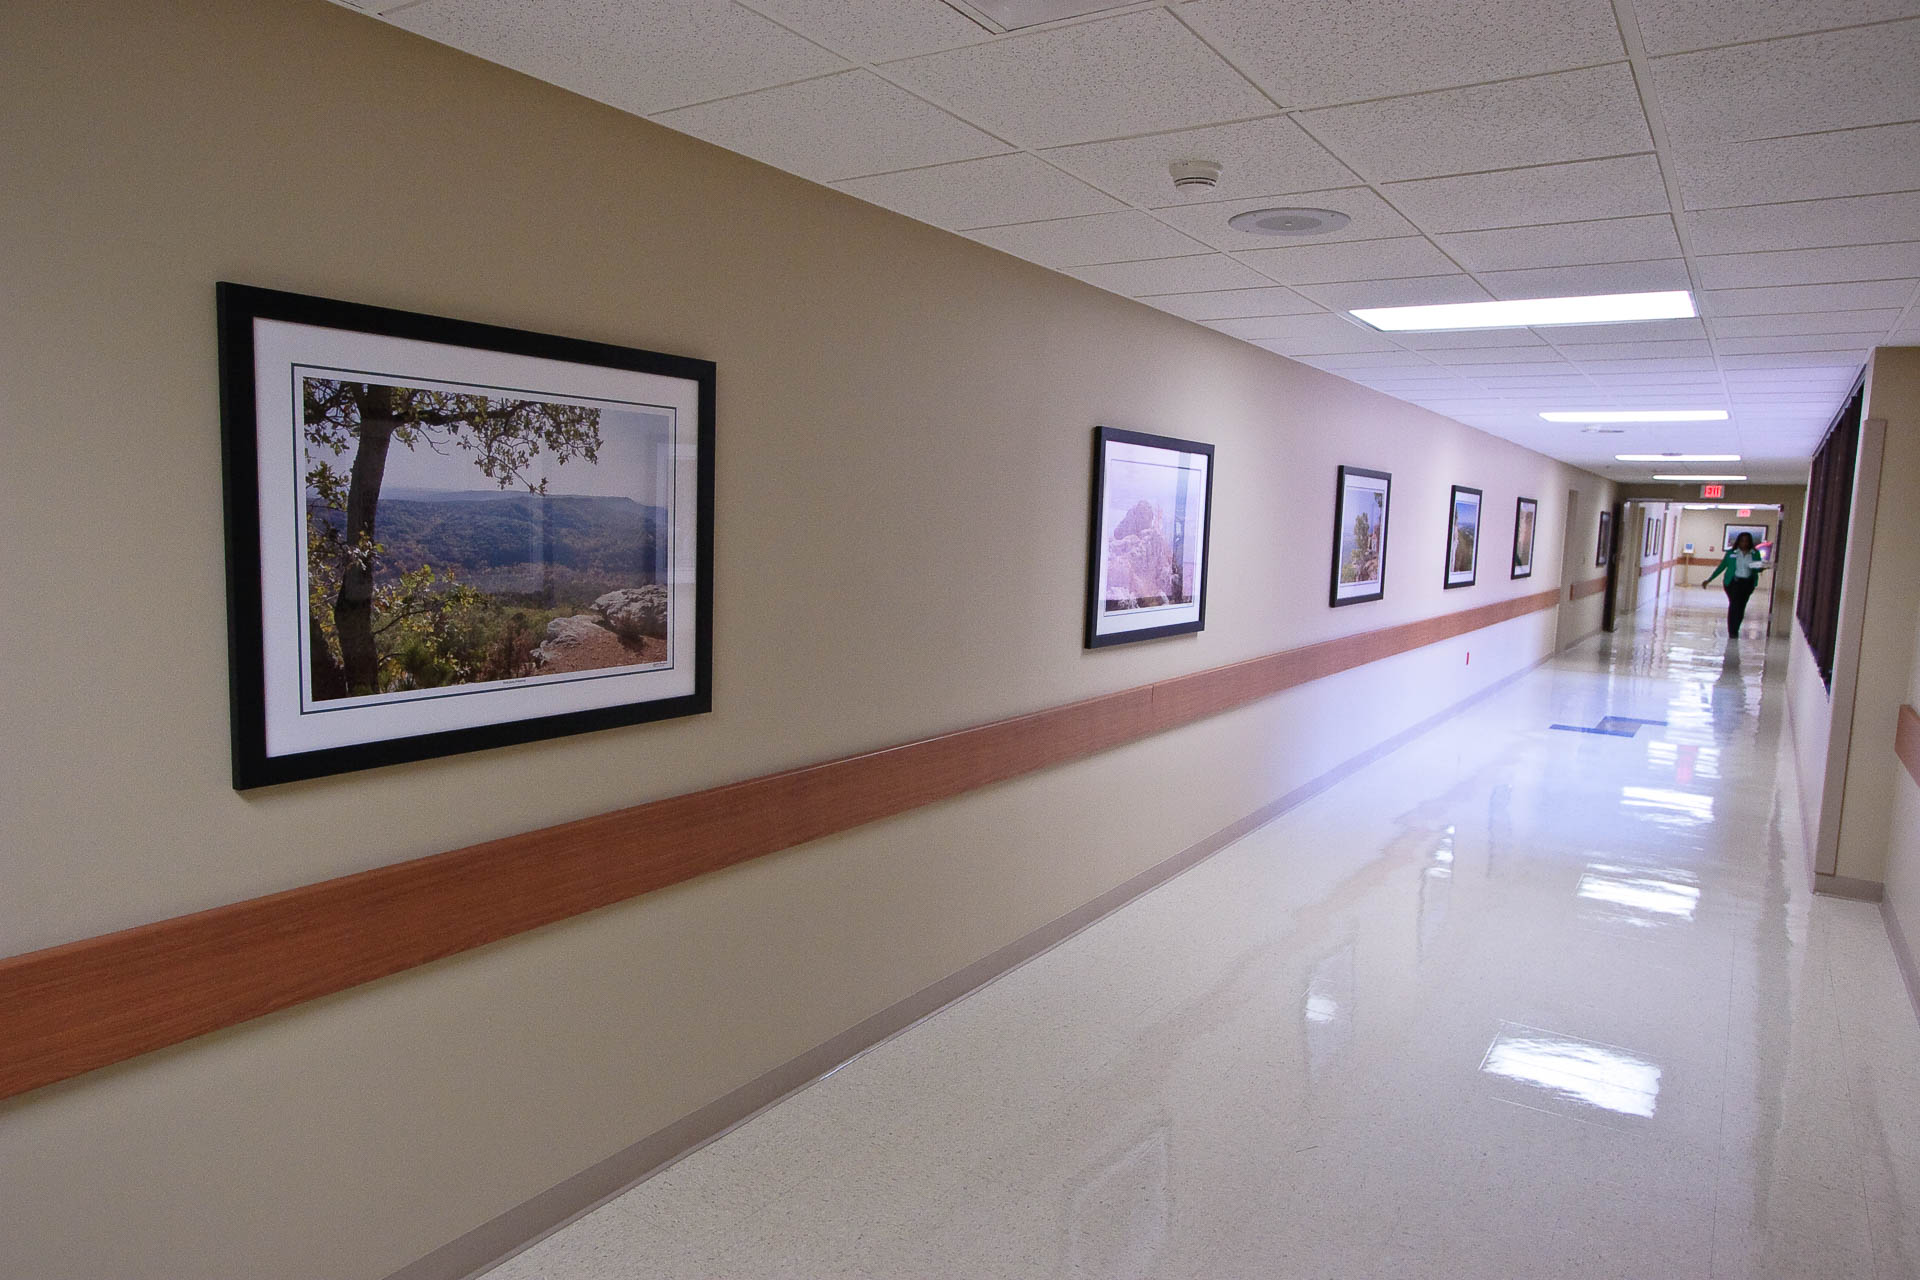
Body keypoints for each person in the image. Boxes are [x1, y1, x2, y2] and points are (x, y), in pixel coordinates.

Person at [1703, 532, 1769, 638]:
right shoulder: (1731, 553)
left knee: (1741, 606)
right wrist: (1709, 579)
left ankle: (1736, 627)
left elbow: (1757, 567)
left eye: (1747, 541)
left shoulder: (1754, 553)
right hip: (1733, 583)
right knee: (1734, 605)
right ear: (1738, 541)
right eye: (1742, 540)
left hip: (1747, 583)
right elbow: (1722, 567)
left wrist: (1762, 568)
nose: (1744, 543)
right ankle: (1732, 631)